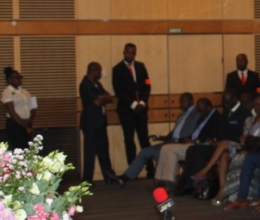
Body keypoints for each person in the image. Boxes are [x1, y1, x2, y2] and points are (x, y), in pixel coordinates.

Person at [175, 91, 251, 196]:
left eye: (227, 102)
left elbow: (242, 136)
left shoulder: (245, 113)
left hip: (234, 146)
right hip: (220, 145)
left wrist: (222, 141)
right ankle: (188, 183)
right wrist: (214, 140)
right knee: (193, 149)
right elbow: (220, 131)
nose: (225, 105)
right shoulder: (226, 112)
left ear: (234, 100)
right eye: (223, 102)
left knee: (219, 146)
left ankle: (202, 176)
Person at [117, 93, 200, 185]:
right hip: (171, 141)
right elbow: (173, 132)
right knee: (145, 151)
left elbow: (197, 131)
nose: (181, 103)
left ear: (191, 101)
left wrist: (189, 139)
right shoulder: (181, 115)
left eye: (183, 101)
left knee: (159, 153)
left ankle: (162, 181)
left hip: (181, 143)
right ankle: (126, 176)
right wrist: (161, 137)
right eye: (180, 101)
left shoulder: (197, 114)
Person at [154, 98, 222, 190]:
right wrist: (188, 138)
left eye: (202, 111)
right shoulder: (204, 116)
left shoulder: (217, 118)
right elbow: (197, 132)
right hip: (192, 142)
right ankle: (161, 179)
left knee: (170, 149)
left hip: (199, 146)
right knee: (166, 148)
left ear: (209, 107)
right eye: (199, 111)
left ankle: (169, 181)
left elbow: (209, 138)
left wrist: (194, 141)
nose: (200, 114)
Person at [113, 43, 154, 178]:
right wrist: (133, 104)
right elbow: (119, 91)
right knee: (129, 141)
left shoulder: (141, 66)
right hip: (127, 111)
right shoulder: (117, 69)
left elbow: (147, 85)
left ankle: (150, 170)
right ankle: (132, 172)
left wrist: (142, 102)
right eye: (128, 52)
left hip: (141, 110)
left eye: (133, 53)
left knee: (144, 140)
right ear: (124, 52)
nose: (130, 55)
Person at [79, 62, 116, 184]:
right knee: (90, 152)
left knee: (104, 151)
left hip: (100, 123)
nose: (100, 74)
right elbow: (97, 103)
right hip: (90, 124)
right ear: (93, 71)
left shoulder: (97, 84)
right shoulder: (85, 85)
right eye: (99, 72)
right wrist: (102, 99)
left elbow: (109, 97)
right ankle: (87, 180)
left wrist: (102, 98)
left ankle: (108, 176)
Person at [1, 67, 35, 150]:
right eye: (17, 78)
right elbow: (11, 112)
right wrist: (24, 125)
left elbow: (33, 107)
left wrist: (29, 121)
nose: (20, 79)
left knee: (27, 148)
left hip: (27, 122)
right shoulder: (7, 92)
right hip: (15, 124)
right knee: (18, 148)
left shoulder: (25, 91)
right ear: (9, 79)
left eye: (20, 77)